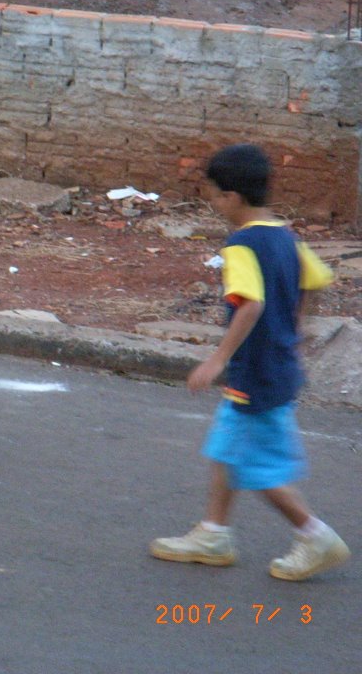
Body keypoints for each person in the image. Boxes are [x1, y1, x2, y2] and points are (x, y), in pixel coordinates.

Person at [150, 144, 350, 580]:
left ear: (232, 198)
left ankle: (315, 535)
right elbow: (316, 280)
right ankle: (213, 532)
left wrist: (216, 359)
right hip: (276, 365)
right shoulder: (284, 235)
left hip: (255, 371)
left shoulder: (240, 245)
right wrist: (296, 330)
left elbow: (251, 304)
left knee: (255, 466)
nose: (213, 203)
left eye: (214, 195)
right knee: (228, 446)